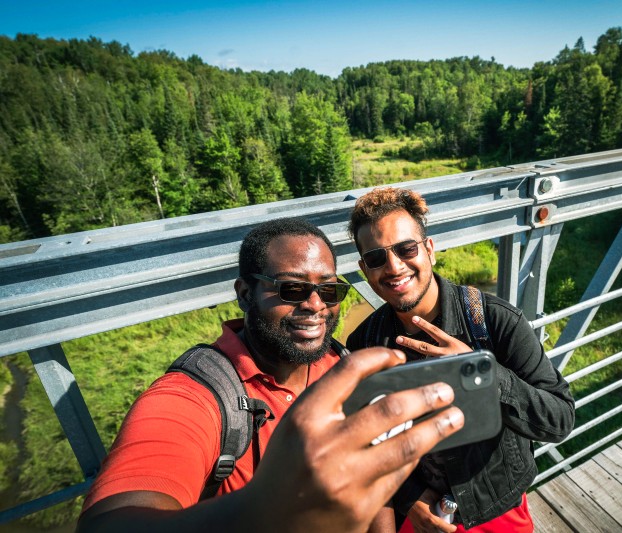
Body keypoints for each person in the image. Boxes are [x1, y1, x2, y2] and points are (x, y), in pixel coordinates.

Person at [78, 217, 463, 532]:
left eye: (329, 291)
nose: (315, 305)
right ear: (245, 294)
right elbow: (111, 522)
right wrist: (266, 513)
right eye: (292, 289)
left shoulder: (340, 365)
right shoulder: (197, 397)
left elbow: (374, 483)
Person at [346, 187, 575, 533]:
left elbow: (559, 419)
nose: (393, 266)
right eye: (377, 258)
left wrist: (483, 371)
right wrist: (410, 499)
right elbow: (367, 441)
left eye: (406, 248)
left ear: (430, 250)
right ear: (365, 270)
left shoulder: (494, 321)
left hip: (497, 509)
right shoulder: (363, 343)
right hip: (422, 514)